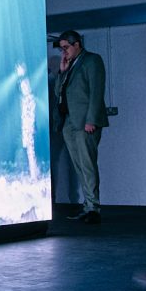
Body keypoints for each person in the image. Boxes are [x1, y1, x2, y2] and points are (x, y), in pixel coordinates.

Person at [50, 30, 107, 224]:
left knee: (87, 164)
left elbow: (96, 91)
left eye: (66, 47)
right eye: (61, 49)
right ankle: (88, 206)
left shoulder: (92, 60)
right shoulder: (70, 65)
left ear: (77, 44)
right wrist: (62, 72)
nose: (64, 52)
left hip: (85, 122)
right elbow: (58, 91)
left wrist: (91, 120)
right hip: (69, 122)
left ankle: (93, 208)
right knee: (79, 165)